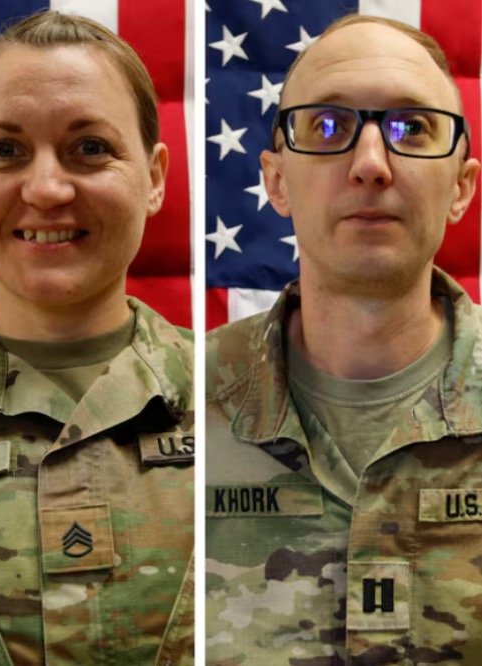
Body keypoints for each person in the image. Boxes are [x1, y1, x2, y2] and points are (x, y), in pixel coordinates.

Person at [0, 11, 194, 665]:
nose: (47, 188)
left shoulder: (262, 411)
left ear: (154, 176)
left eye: (89, 148)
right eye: (5, 150)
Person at [205, 15, 482, 663]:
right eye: (325, 127)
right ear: (274, 180)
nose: (368, 164)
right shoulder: (173, 407)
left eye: (410, 129)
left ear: (461, 188)